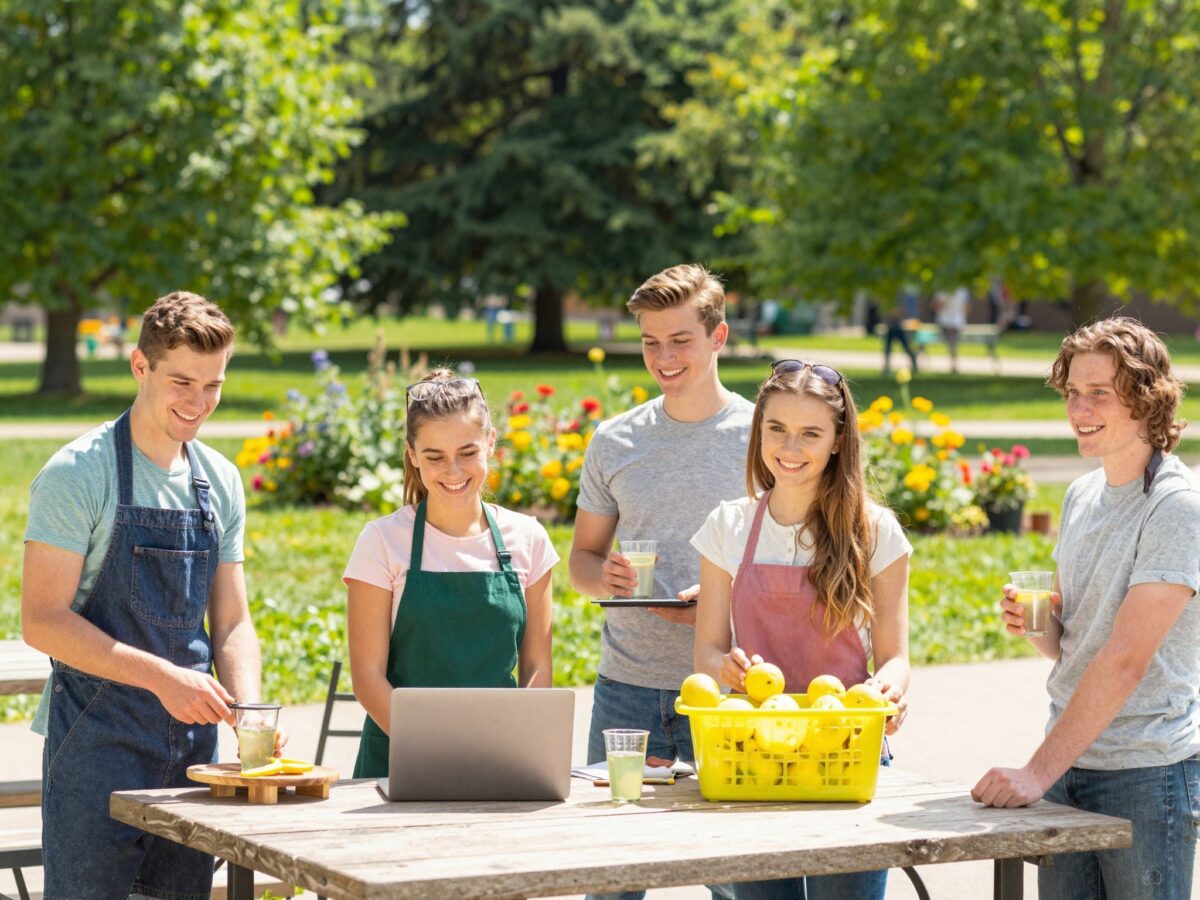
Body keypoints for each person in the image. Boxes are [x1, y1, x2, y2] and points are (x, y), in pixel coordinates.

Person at [21, 291, 272, 899]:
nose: (199, 403)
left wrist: (250, 714)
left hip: (192, 756)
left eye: (213, 385)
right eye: (182, 381)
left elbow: (232, 620)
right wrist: (163, 677)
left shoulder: (220, 479)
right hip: (95, 747)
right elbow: (42, 622)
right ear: (140, 367)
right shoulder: (78, 474)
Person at [972, 317, 1200, 900]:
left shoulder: (1177, 508)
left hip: (1145, 774)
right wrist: (1040, 627)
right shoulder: (1081, 495)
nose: (1079, 408)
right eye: (1073, 391)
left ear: (1148, 400)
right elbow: (1078, 643)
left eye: (1100, 393)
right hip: (1068, 759)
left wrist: (1034, 773)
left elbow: (1125, 660)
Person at [692, 359, 912, 900]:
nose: (790, 447)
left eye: (810, 433)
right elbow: (707, 650)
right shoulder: (729, 525)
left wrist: (889, 690)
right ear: (758, 432)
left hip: (846, 749)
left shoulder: (875, 530)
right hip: (753, 749)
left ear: (839, 440)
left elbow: (895, 658)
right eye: (777, 429)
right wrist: (723, 666)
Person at [570, 263, 752, 900]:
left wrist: (722, 606)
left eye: (680, 340)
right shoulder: (615, 440)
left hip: (731, 691)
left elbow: (794, 562)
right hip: (628, 691)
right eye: (650, 342)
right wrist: (610, 578)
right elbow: (581, 564)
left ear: (718, 336)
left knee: (736, 879)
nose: (664, 357)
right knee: (611, 880)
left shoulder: (764, 438)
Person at [344, 369, 556, 777]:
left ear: (490, 442)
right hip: (399, 759)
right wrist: (435, 754)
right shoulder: (382, 542)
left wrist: (515, 743)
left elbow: (537, 669)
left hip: (500, 759)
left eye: (467, 452)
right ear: (412, 455)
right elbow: (368, 678)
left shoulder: (528, 538)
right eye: (434, 457)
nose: (453, 472)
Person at [933, 286, 969, 373]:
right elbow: (936, 307)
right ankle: (953, 364)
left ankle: (954, 364)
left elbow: (966, 307)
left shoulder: (962, 290)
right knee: (952, 342)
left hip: (957, 322)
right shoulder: (942, 291)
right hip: (945, 322)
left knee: (952, 343)